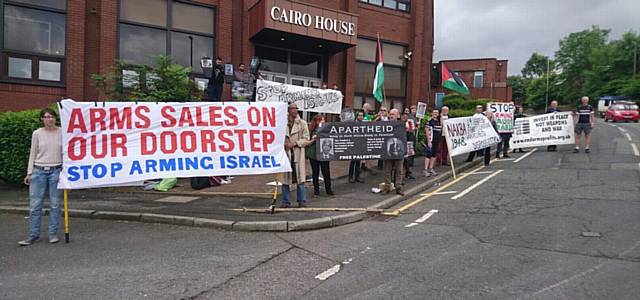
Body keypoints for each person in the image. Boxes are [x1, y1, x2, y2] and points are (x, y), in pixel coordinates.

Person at [19, 108, 63, 246]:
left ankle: (52, 234)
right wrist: (29, 172)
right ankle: (33, 235)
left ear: (55, 118)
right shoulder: (37, 133)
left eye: (52, 117)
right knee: (35, 205)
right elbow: (33, 153)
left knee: (55, 205)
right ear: (42, 119)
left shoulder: (62, 132)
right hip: (39, 171)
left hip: (57, 170)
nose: (49, 119)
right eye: (46, 117)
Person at [281, 103, 313, 208]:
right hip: (286, 154)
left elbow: (307, 139)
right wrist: (283, 145)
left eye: (296, 109)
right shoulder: (282, 123)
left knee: (300, 179)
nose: (295, 111)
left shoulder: (302, 123)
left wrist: (295, 144)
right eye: (293, 109)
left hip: (297, 154)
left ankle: (302, 200)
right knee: (285, 180)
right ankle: (286, 201)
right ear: (289, 110)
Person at [306, 115, 334, 197]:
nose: (323, 122)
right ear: (317, 121)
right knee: (315, 173)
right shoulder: (312, 130)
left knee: (326, 172)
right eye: (321, 120)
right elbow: (308, 141)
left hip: (324, 154)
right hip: (314, 154)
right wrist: (314, 138)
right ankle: (316, 191)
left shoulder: (326, 130)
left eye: (324, 120)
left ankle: (328, 189)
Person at [382, 109, 405, 195]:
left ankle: (398, 188)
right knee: (387, 170)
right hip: (389, 151)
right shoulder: (385, 124)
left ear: (398, 115)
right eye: (390, 114)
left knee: (399, 170)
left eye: (393, 114)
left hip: (399, 151)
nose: (391, 116)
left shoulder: (401, 124)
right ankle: (387, 187)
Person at [424, 109, 441, 177]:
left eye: (437, 112)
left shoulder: (439, 121)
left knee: (434, 154)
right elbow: (427, 131)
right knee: (428, 154)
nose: (435, 114)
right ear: (431, 113)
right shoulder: (429, 121)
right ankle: (425, 170)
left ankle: (431, 168)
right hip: (431, 140)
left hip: (437, 140)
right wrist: (428, 141)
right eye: (434, 112)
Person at [349, 112, 365, 183]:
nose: (361, 117)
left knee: (358, 161)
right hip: (353, 145)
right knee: (353, 162)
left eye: (362, 116)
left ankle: (357, 176)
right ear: (357, 116)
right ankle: (350, 177)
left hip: (360, 145)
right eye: (359, 115)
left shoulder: (364, 124)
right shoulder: (353, 124)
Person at [402, 112, 416, 180]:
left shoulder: (410, 123)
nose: (405, 118)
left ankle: (408, 173)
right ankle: (403, 174)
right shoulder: (399, 123)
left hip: (409, 141)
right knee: (403, 160)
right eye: (403, 117)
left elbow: (412, 130)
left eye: (406, 117)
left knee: (409, 159)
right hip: (402, 142)